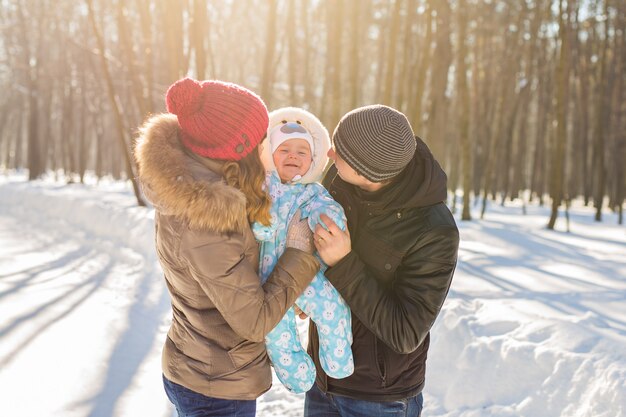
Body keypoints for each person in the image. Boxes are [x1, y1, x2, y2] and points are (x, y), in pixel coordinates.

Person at [134, 78, 320, 417]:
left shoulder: (190, 178)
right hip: (215, 389)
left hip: (199, 367)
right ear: (240, 149)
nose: (268, 142)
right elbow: (255, 320)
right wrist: (298, 253)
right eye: (261, 136)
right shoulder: (207, 219)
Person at [304, 104, 460, 417]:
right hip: (321, 381)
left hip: (378, 399)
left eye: (342, 153)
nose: (330, 153)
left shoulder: (433, 230)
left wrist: (344, 263)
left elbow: (405, 333)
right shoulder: (338, 180)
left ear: (368, 173)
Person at [253, 107, 354, 394]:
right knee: (275, 329)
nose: (293, 156)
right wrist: (262, 221)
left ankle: (338, 362)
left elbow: (327, 211)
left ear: (312, 160)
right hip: (268, 278)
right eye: (284, 150)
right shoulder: (262, 188)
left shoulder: (313, 191)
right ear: (270, 154)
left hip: (306, 275)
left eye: (301, 152)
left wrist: (328, 220)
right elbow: (254, 218)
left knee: (333, 309)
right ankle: (296, 374)